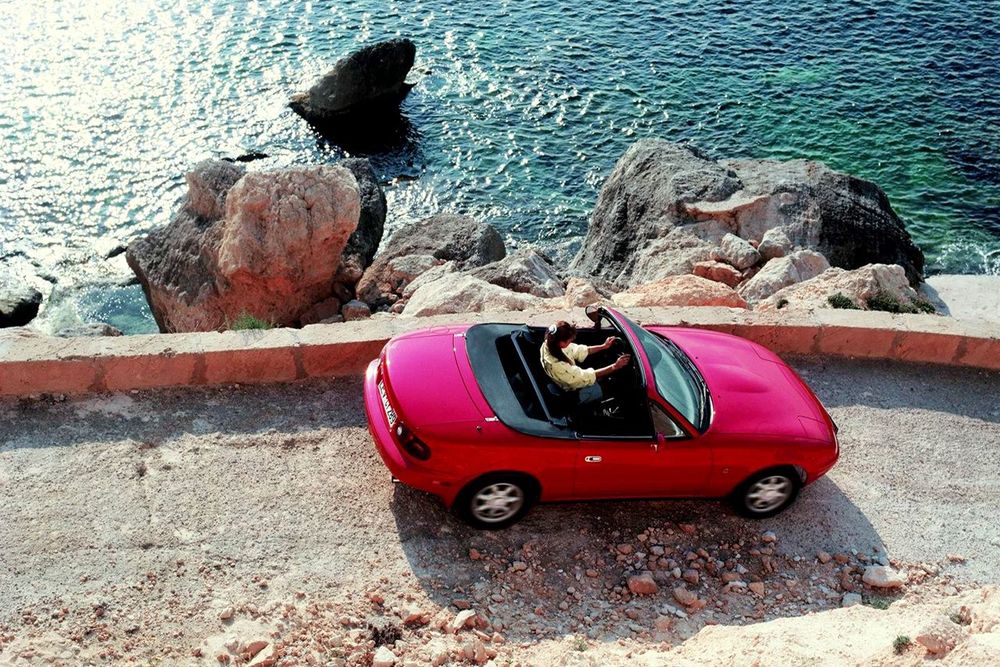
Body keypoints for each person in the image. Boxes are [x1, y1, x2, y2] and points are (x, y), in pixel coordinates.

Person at [540, 320, 631, 410]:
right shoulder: (557, 365)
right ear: (561, 343)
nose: (571, 342)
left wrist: (603, 346)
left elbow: (579, 350)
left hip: (571, 378)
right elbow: (586, 376)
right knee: (611, 388)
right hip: (574, 392)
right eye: (569, 341)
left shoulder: (549, 343)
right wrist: (615, 366)